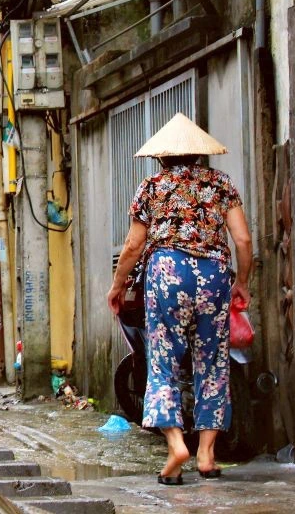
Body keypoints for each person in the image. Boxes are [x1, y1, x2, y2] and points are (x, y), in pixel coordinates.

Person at [106, 113, 253, 486]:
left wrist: (118, 285)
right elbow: (243, 241)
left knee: (163, 359)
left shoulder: (152, 186)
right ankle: (206, 454)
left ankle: (176, 446)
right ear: (200, 154)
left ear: (162, 156)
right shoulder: (220, 184)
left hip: (168, 274)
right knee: (212, 361)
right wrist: (243, 283)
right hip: (214, 276)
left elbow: (134, 245)